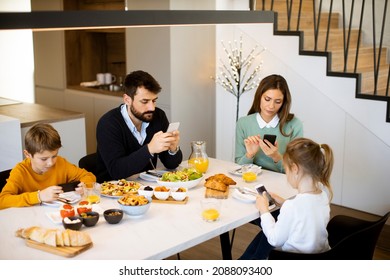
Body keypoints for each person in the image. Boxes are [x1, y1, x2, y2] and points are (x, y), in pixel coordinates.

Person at [239, 137, 334, 259]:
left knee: (264, 237)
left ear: (295, 169)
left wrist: (264, 211)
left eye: (287, 170)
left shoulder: (293, 206)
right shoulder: (322, 195)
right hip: (320, 256)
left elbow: (274, 240)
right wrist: (284, 203)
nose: (287, 175)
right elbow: (305, 213)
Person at [96, 70, 182, 182]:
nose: (152, 108)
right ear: (127, 100)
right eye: (145, 101)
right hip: (112, 190)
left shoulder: (158, 116)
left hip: (146, 187)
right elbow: (116, 171)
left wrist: (173, 149)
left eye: (154, 101)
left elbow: (171, 165)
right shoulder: (108, 124)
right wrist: (150, 149)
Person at [0, 123, 96, 210]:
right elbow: (2, 200)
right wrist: (39, 196)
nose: (50, 163)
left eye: (54, 156)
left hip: (58, 214)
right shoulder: (20, 171)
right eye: (44, 159)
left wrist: (85, 185)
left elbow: (88, 176)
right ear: (28, 154)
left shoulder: (61, 162)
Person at [235, 74, 303, 173]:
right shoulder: (243, 123)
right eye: (267, 99)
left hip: (281, 183)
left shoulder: (294, 125)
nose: (271, 106)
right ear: (259, 97)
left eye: (278, 101)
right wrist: (249, 155)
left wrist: (276, 156)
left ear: (283, 102)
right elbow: (238, 167)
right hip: (251, 181)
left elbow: (295, 170)